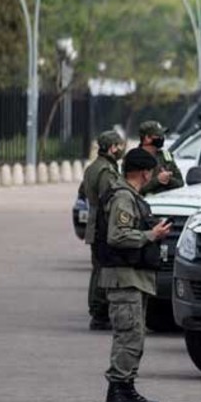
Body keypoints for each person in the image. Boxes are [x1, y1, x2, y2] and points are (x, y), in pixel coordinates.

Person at [97, 148, 173, 402]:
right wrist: (151, 235)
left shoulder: (131, 196)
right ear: (144, 172)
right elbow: (117, 236)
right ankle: (117, 391)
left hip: (134, 278)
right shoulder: (123, 198)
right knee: (128, 336)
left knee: (135, 336)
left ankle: (127, 387)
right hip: (124, 278)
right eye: (151, 170)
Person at [81, 131, 126, 330]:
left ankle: (97, 311)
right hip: (102, 225)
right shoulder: (106, 170)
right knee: (102, 271)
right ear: (112, 147)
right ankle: (99, 313)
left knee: (98, 269)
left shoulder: (93, 167)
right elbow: (111, 198)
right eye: (119, 146)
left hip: (95, 224)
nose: (121, 149)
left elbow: (83, 192)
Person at [136, 121, 184, 196]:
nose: (162, 138)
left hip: (165, 200)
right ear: (147, 138)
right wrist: (157, 180)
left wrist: (168, 180)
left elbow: (180, 183)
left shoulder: (166, 156)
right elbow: (133, 188)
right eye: (158, 135)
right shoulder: (134, 158)